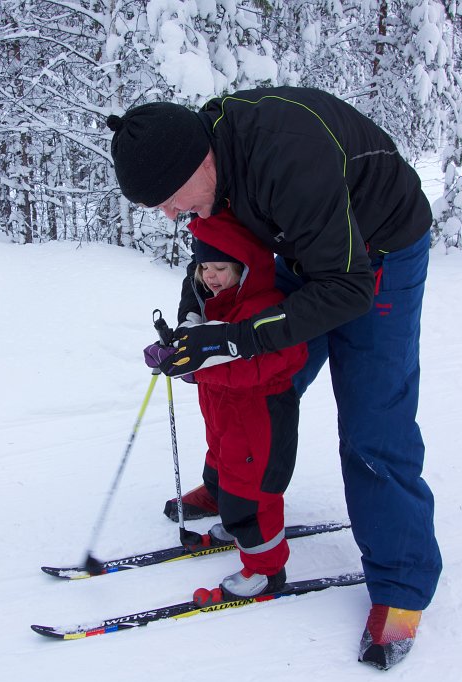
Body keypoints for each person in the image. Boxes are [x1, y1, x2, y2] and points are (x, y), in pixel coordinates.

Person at [106, 86, 442, 670]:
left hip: (379, 253)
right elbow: (213, 251)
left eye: (166, 199)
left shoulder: (287, 156)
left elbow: (347, 287)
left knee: (371, 420)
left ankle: (402, 585)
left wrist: (236, 338)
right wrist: (196, 320)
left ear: (199, 164)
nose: (168, 214)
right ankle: (230, 486)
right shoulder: (210, 165)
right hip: (307, 248)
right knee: (251, 383)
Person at [145, 209, 307, 599]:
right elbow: (206, 348)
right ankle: (236, 527)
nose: (210, 276)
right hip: (228, 424)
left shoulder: (267, 308)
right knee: (226, 475)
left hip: (260, 423)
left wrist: (196, 369)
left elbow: (253, 368)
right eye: (204, 267)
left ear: (246, 268)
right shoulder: (218, 305)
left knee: (251, 498)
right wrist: (176, 351)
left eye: (220, 267)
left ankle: (265, 571)